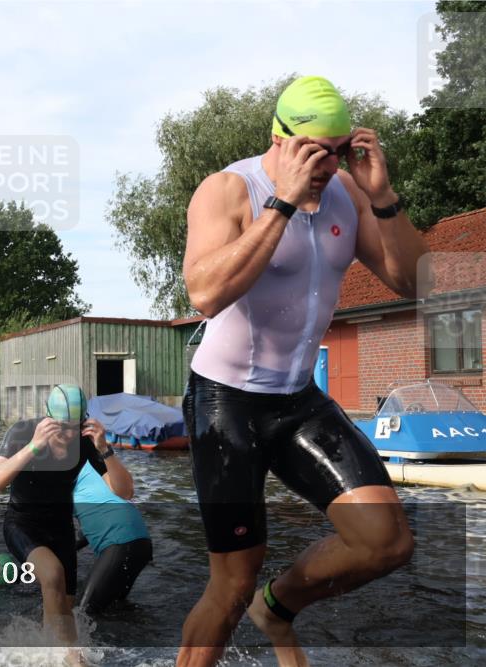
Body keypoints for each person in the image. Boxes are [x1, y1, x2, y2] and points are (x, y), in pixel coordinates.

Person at [177, 76, 424, 667]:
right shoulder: (229, 189)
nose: (328, 166)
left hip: (297, 400)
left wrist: (383, 196)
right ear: (279, 139)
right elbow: (205, 294)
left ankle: (277, 608)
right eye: (315, 151)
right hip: (226, 402)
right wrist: (282, 204)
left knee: (387, 542)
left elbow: (415, 285)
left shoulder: (347, 193)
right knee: (232, 584)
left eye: (339, 151)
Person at [0, 384, 132, 647]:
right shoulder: (23, 432)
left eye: (75, 426)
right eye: (61, 427)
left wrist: (104, 449)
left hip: (61, 529)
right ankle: (69, 660)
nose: (68, 434)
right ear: (48, 418)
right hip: (23, 524)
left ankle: (46, 653)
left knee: (64, 607)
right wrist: (34, 446)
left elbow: (125, 491)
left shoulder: (85, 441)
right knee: (52, 575)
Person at [73, 462, 151, 615]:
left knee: (83, 614)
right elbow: (91, 525)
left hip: (120, 543)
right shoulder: (92, 466)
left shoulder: (62, 475)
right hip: (141, 542)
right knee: (113, 609)